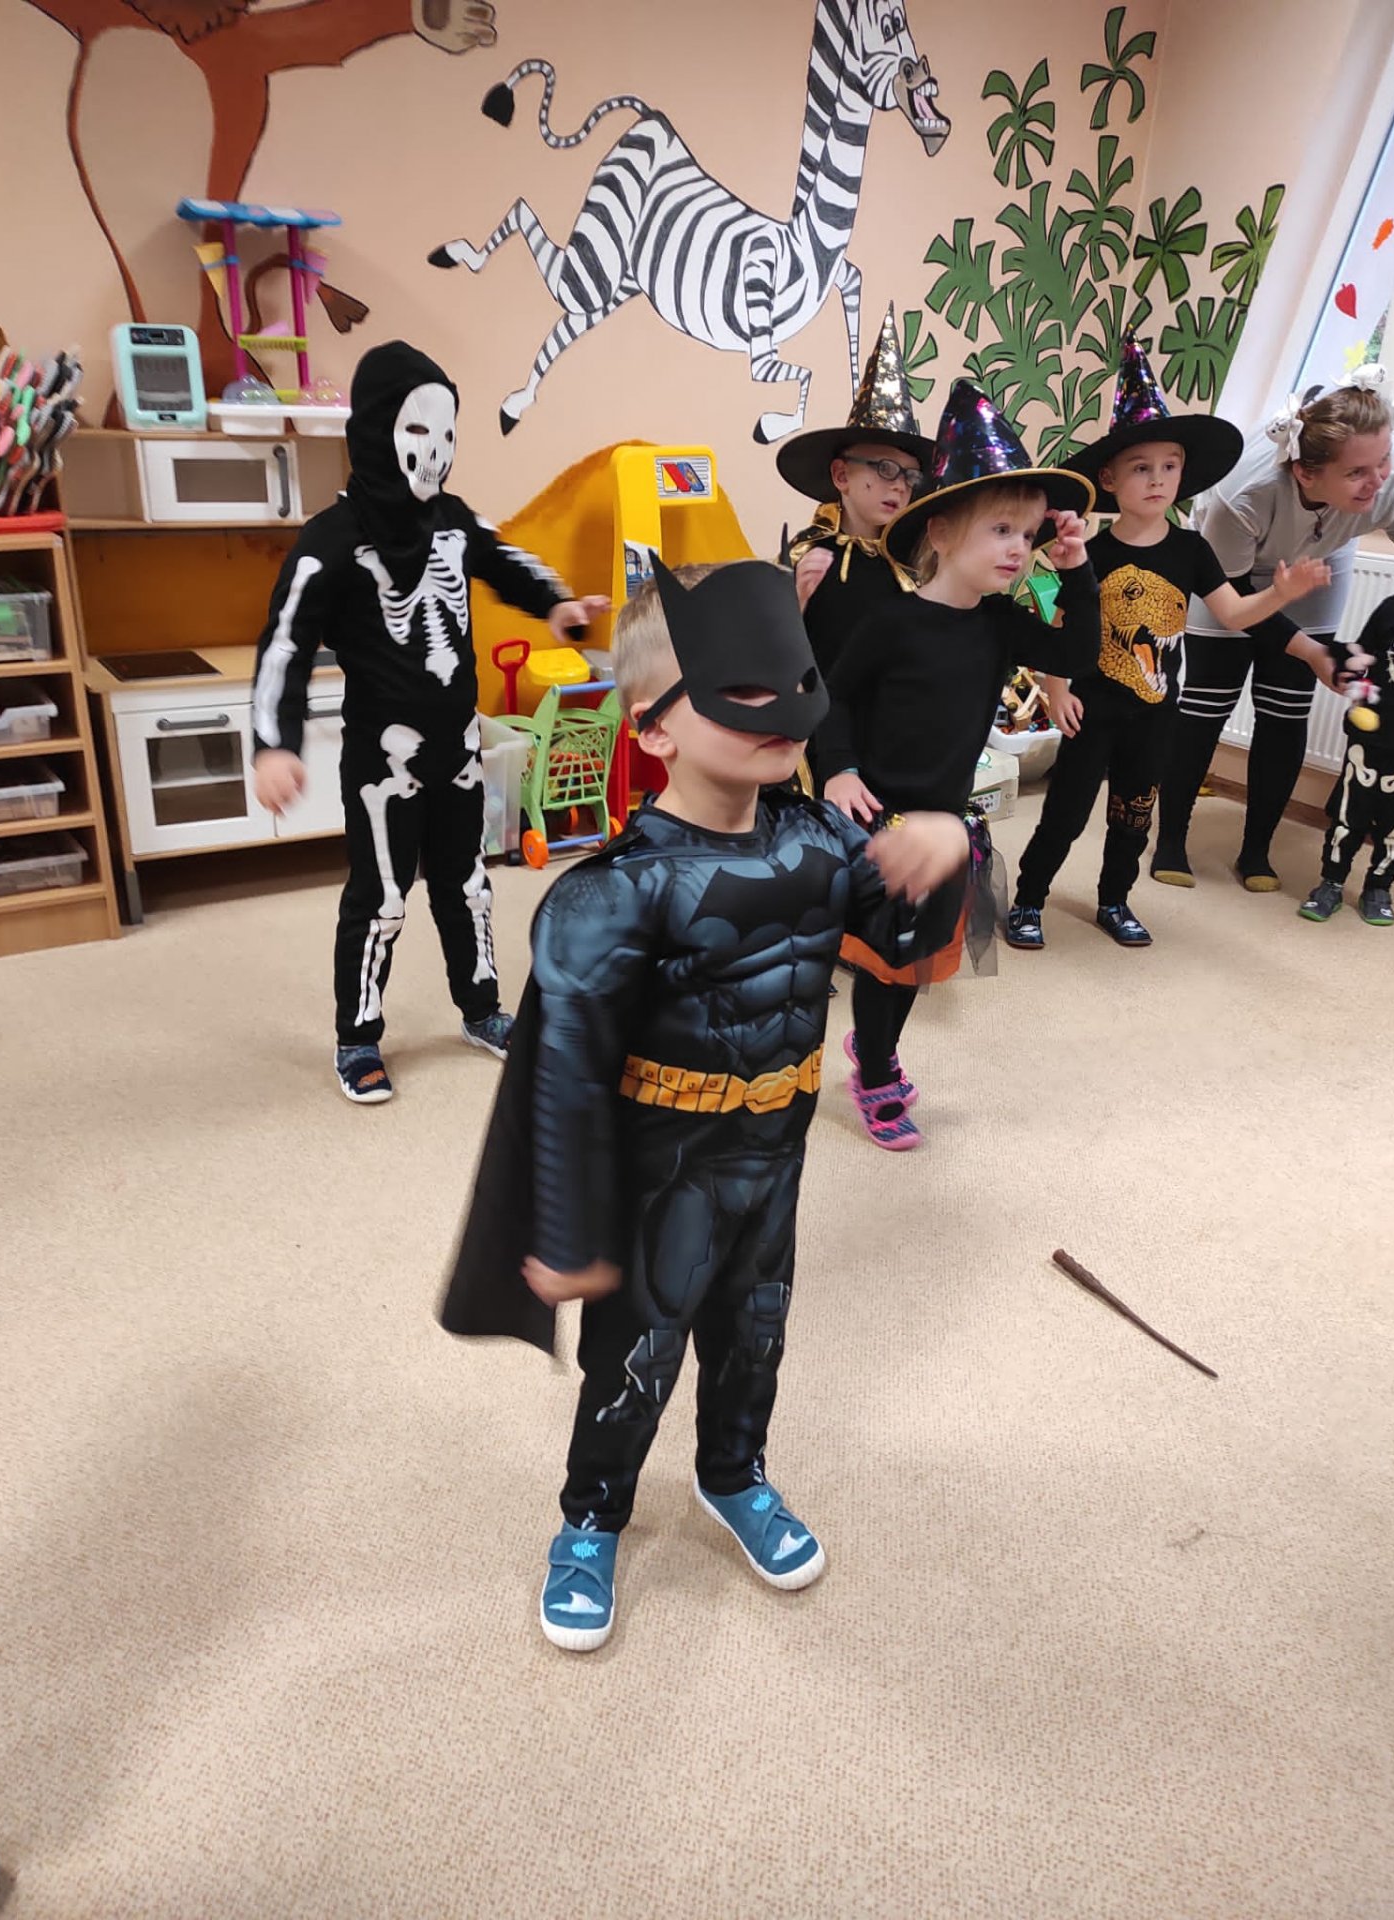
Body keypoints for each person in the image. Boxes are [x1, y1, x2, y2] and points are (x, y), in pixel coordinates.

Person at [440, 556, 970, 1650]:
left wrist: (945, 849)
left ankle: (733, 1474)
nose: (780, 708)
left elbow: (905, 938)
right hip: (662, 1172)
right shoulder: (612, 893)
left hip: (774, 1156)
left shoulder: (824, 841)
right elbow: (563, 1074)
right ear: (654, 731)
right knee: (635, 1356)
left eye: (795, 679)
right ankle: (591, 1517)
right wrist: (564, 1229)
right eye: (742, 689)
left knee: (754, 1336)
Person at [250, 340, 606, 1103]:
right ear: (377, 431)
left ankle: (481, 1009)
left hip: (460, 747)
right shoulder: (332, 539)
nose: (436, 450)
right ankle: (357, 1035)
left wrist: (557, 605)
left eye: (447, 433)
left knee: (468, 884)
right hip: (383, 760)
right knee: (381, 898)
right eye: (417, 431)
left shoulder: (452, 519)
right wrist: (274, 742)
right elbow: (285, 642)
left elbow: (506, 560)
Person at [818, 379, 1099, 1148]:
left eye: (1028, 534)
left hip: (947, 825)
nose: (1018, 548)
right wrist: (838, 769)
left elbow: (1078, 652)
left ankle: (875, 1048)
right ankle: (876, 1067)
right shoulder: (889, 622)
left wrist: (1077, 567)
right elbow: (833, 699)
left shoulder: (1001, 624)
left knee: (914, 959)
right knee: (880, 957)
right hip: (877, 819)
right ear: (940, 532)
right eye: (1002, 529)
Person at [1008, 332, 1332, 949]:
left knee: (1133, 818)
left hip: (1156, 714)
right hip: (1091, 711)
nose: (1157, 479)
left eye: (1169, 466)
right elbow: (1059, 627)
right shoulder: (1090, 553)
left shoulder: (1192, 549)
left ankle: (1114, 900)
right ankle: (1029, 900)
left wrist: (1280, 594)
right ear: (1110, 478)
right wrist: (1056, 690)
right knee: (1064, 816)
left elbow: (1234, 614)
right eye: (1141, 467)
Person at [1154, 366, 1394, 892]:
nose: (1379, 478)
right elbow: (1233, 597)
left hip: (1317, 562)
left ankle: (1256, 850)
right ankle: (1171, 840)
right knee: (1205, 705)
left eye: (1384, 459)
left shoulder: (1391, 481)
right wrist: (1312, 652)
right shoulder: (1245, 492)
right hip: (1228, 573)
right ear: (1306, 473)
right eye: (1358, 471)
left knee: (1286, 708)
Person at [775, 307, 933, 787]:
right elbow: (773, 653)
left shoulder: (912, 562)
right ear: (841, 475)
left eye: (909, 476)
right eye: (884, 469)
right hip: (819, 736)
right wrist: (793, 602)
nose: (899, 486)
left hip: (892, 735)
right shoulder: (806, 556)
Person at [1299, 592, 1394, 927]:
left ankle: (1378, 887)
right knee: (1349, 816)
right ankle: (1331, 881)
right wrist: (1348, 661)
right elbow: (1361, 652)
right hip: (1368, 742)